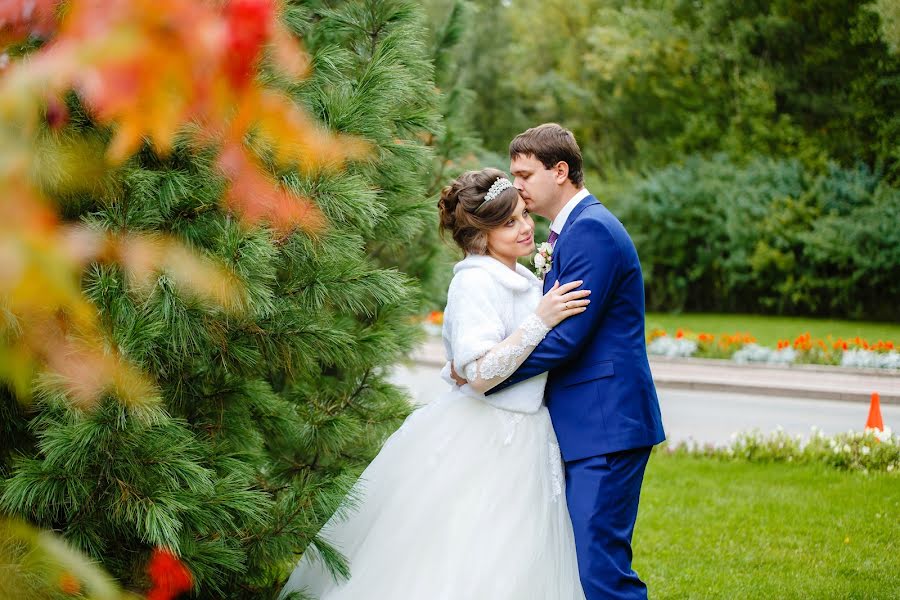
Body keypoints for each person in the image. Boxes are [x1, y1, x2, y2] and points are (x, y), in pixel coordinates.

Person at [279, 167, 591, 599]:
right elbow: (480, 374)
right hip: (486, 433)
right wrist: (540, 320)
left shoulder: (518, 276)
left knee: (516, 551)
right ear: (480, 235)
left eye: (523, 216)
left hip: (526, 430)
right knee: (467, 549)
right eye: (509, 222)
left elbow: (471, 362)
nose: (525, 228)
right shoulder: (475, 281)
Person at [469, 123, 667, 599]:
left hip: (606, 422)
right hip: (589, 423)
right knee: (586, 563)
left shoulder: (591, 231)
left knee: (601, 571)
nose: (516, 186)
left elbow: (567, 341)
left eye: (525, 174)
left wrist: (486, 377)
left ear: (560, 171)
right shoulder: (573, 230)